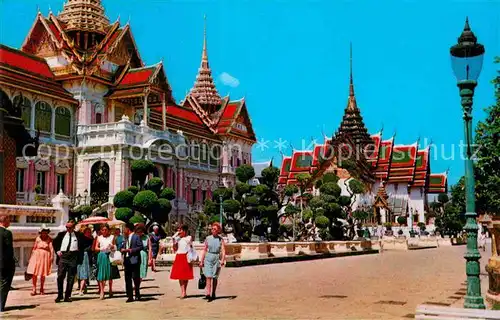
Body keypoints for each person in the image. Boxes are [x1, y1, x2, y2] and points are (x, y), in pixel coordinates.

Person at [53, 220, 85, 303]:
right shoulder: (61, 234)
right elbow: (54, 243)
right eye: (66, 227)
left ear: (73, 227)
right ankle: (60, 295)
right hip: (63, 256)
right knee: (60, 276)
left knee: (71, 278)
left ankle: (67, 296)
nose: (68, 229)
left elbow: (87, 242)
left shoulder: (79, 235)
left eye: (70, 227)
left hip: (73, 256)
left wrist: (80, 251)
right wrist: (57, 250)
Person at [199, 222, 226, 302]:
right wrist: (201, 261)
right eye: (212, 229)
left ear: (218, 230)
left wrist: (222, 260)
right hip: (208, 257)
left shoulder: (220, 239)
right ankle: (208, 293)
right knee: (208, 276)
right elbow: (204, 249)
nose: (213, 230)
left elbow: (223, 250)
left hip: (216, 258)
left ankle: (213, 292)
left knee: (214, 277)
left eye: (215, 229)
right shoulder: (208, 238)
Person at [26, 224, 54, 295]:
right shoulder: (38, 238)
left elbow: (51, 248)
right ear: (40, 232)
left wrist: (52, 256)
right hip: (36, 255)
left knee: (42, 273)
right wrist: (31, 257)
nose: (44, 233)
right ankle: (34, 288)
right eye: (43, 231)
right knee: (34, 272)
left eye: (45, 232)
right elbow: (34, 248)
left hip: (44, 256)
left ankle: (42, 288)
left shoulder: (49, 239)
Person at [120, 223, 144, 302]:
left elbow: (140, 247)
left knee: (135, 278)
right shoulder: (125, 238)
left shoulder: (136, 236)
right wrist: (122, 249)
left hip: (134, 259)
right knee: (127, 278)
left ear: (128, 229)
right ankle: (130, 296)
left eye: (124, 229)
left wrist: (130, 250)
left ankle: (137, 294)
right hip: (127, 260)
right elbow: (123, 246)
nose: (123, 231)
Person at [170, 224, 194, 299]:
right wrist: (175, 239)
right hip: (179, 256)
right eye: (178, 230)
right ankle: (183, 291)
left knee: (186, 275)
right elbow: (175, 249)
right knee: (180, 275)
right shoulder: (178, 239)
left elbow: (190, 246)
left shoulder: (188, 237)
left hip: (186, 256)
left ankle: (185, 290)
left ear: (185, 231)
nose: (179, 231)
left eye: (180, 230)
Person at [95, 224, 117, 300]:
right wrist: (102, 248)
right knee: (101, 274)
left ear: (108, 230)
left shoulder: (112, 237)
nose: (104, 231)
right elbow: (95, 248)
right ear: (101, 231)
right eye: (103, 230)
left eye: (106, 230)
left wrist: (112, 247)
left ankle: (110, 289)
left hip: (110, 255)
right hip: (102, 255)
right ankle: (102, 291)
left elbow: (115, 247)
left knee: (110, 273)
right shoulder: (99, 237)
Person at [0, 215, 15, 312]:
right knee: (4, 283)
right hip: (4, 263)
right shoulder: (7, 233)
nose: (10, 222)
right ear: (4, 221)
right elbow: (9, 250)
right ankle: (0, 306)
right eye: (9, 220)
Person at [76, 227, 94, 295]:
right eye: (88, 231)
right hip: (83, 256)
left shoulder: (91, 239)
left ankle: (82, 288)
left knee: (84, 273)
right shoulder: (81, 238)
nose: (89, 233)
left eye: (90, 231)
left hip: (88, 257)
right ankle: (82, 288)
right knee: (83, 273)